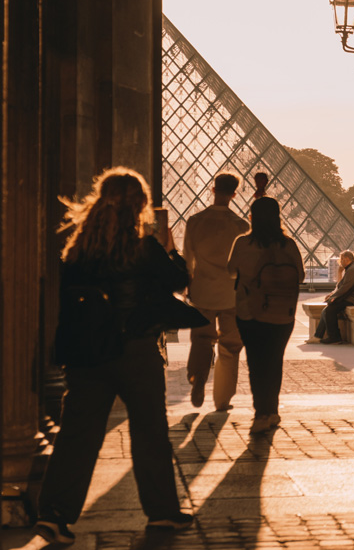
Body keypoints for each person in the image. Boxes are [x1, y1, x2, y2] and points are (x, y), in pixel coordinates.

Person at [35, 167, 194, 544]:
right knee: (150, 433)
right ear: (140, 204)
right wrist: (170, 250)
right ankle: (161, 513)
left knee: (77, 434)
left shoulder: (78, 250)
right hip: (136, 351)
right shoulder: (144, 247)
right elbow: (178, 282)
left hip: (87, 353)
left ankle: (55, 513)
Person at [228, 197, 305, 434]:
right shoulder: (289, 245)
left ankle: (261, 413)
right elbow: (300, 276)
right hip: (283, 313)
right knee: (274, 361)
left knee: (256, 363)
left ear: (251, 217)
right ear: (277, 217)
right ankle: (272, 410)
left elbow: (230, 271)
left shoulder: (242, 243)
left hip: (249, 312)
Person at [183, 172, 249, 410]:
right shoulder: (241, 226)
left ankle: (198, 378)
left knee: (201, 340)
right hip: (231, 294)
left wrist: (188, 286)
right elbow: (243, 264)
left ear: (213, 190)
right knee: (230, 346)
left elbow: (187, 259)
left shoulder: (195, 221)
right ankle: (222, 399)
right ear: (234, 194)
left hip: (202, 291)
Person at [306, 250, 354, 345]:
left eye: (341, 259)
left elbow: (344, 287)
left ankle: (334, 337)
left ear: (346, 259)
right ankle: (317, 336)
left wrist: (332, 298)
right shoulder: (352, 268)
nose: (340, 262)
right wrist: (339, 273)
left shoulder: (353, 269)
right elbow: (342, 286)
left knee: (330, 309)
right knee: (326, 310)